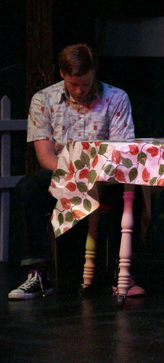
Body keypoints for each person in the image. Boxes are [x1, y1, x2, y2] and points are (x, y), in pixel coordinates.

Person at [9, 43, 137, 299]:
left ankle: (121, 273)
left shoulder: (116, 98)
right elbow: (45, 156)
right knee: (28, 187)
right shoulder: (43, 99)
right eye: (73, 84)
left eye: (85, 84)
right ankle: (38, 274)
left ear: (94, 72)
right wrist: (74, 176)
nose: (79, 90)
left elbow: (121, 152)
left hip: (104, 175)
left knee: (133, 190)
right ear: (62, 74)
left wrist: (92, 175)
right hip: (63, 173)